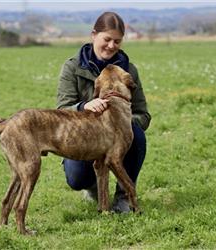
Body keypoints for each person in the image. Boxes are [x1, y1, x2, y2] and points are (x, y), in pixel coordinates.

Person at [56, 12, 151, 213]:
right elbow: (62, 109)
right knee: (76, 179)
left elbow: (143, 114)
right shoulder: (72, 67)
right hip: (83, 134)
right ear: (93, 35)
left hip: (118, 137)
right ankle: (94, 187)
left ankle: (124, 196)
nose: (111, 45)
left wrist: (122, 123)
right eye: (107, 39)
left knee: (138, 137)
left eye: (117, 41)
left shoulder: (129, 71)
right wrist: (83, 106)